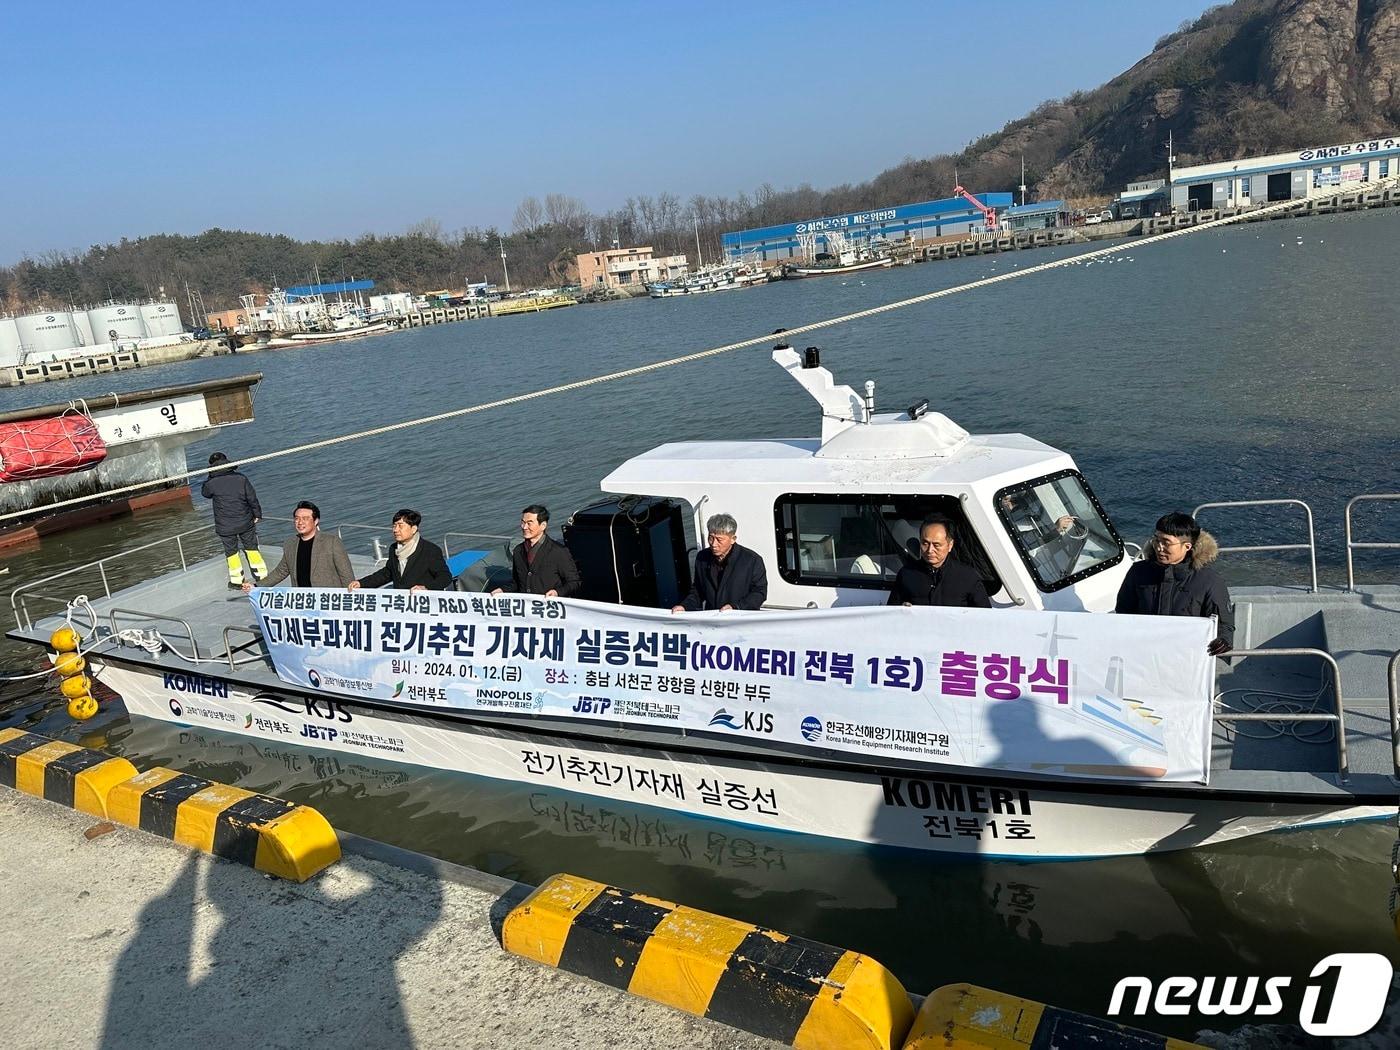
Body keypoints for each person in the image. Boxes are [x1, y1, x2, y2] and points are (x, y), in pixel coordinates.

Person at [1115, 511, 1234, 655]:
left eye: (1166, 543)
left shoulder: (1209, 580)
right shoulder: (1138, 571)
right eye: (1156, 540)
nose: (1159, 547)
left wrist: (1223, 640)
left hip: (1186, 655)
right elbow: (1123, 612)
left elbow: (1224, 624)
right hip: (1144, 653)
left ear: (1187, 546)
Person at [243, 500, 355, 593]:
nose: (300, 522)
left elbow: (346, 575)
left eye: (305, 518)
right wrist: (256, 586)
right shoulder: (290, 543)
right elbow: (281, 572)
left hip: (328, 600)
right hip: (302, 601)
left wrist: (350, 597)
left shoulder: (332, 542)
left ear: (316, 521)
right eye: (297, 518)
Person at [887, 514, 991, 608]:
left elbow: (984, 615)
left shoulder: (967, 576)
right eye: (925, 543)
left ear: (950, 545)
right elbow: (891, 612)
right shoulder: (906, 574)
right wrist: (901, 610)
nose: (930, 550)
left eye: (936, 545)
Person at [671, 513, 767, 612]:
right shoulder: (702, 557)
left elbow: (760, 592)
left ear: (733, 539)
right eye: (711, 538)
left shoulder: (752, 560)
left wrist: (736, 607)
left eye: (719, 539)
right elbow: (698, 591)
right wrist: (684, 606)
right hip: (713, 619)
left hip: (740, 617)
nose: (714, 544)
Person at [200, 451, 268, 589]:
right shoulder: (241, 478)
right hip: (245, 521)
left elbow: (205, 493)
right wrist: (257, 514)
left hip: (225, 526)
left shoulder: (211, 483)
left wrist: (210, 475)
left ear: (211, 466)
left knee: (231, 553)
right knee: (252, 549)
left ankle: (237, 581)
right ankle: (262, 577)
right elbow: (252, 498)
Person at [348, 509, 452, 592]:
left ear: (413, 529)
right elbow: (387, 573)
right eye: (394, 526)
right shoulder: (394, 548)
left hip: (421, 602)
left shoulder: (430, 550)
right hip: (401, 602)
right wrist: (361, 583)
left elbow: (445, 577)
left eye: (400, 526)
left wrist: (425, 588)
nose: (395, 530)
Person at [491, 505, 581, 598]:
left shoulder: (558, 551)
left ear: (543, 526)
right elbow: (517, 583)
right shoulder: (518, 551)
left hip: (550, 604)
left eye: (529, 523)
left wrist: (557, 592)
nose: (524, 527)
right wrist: (502, 590)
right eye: (523, 522)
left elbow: (574, 582)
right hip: (526, 605)